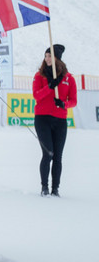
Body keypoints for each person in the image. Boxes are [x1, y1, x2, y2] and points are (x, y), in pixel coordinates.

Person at [33, 44, 78, 197]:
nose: (46, 59)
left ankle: (55, 189)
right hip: (42, 119)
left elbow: (73, 101)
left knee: (58, 156)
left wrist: (63, 104)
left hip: (60, 121)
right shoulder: (39, 76)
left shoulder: (69, 79)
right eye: (45, 56)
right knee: (48, 153)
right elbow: (37, 96)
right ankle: (44, 187)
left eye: (49, 56)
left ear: (57, 58)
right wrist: (50, 87)